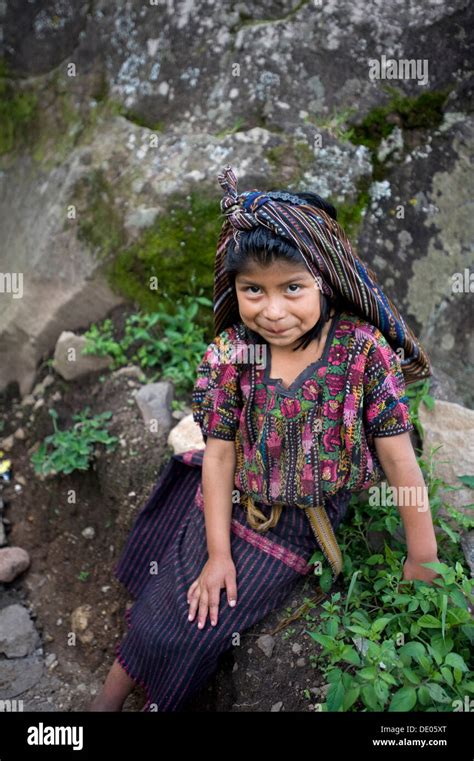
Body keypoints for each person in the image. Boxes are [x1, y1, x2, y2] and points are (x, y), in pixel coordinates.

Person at [89, 165, 439, 712]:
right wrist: (218, 553)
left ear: (328, 279)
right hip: (229, 503)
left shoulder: (362, 352)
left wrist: (422, 554)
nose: (272, 311)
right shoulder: (234, 353)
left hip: (296, 526)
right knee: (163, 604)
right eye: (253, 290)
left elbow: (399, 461)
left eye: (292, 288)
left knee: (192, 629)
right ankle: (98, 709)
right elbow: (221, 453)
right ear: (235, 288)